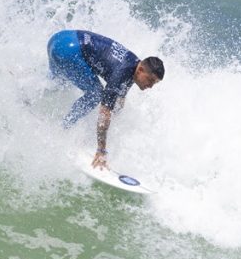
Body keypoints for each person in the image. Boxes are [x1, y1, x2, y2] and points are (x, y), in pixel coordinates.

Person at [47, 30, 164, 170]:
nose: (150, 86)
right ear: (141, 70)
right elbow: (104, 113)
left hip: (60, 39)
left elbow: (119, 101)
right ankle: (63, 128)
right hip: (69, 52)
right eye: (150, 80)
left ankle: (28, 88)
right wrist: (101, 150)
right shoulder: (122, 73)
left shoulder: (133, 64)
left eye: (154, 83)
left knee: (58, 82)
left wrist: (117, 121)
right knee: (96, 94)